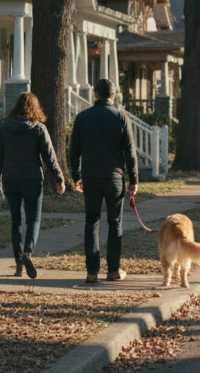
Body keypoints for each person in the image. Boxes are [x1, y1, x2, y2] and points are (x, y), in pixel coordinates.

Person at [68, 78, 138, 283]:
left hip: (90, 177)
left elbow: (74, 151)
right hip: (115, 178)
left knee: (91, 223)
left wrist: (76, 175)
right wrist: (133, 180)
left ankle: (92, 272)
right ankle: (114, 270)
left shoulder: (82, 117)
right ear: (113, 96)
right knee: (115, 223)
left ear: (95, 95)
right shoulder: (121, 117)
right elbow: (130, 153)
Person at [0, 92, 65, 280]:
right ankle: (28, 253)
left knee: (16, 221)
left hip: (11, 179)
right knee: (33, 219)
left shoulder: (4, 128)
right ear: (35, 108)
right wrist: (59, 178)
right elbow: (50, 157)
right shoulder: (38, 129)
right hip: (32, 179)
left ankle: (18, 264)